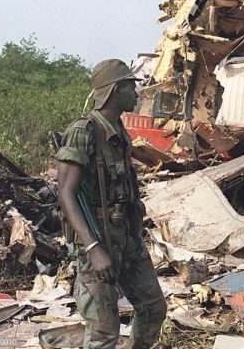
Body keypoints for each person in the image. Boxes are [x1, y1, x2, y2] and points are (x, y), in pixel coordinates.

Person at [57, 59, 166, 349]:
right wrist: (93, 249)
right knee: (104, 332)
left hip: (127, 238)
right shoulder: (84, 131)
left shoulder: (118, 129)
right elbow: (66, 193)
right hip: (98, 241)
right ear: (116, 90)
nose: (136, 93)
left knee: (154, 309)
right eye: (131, 86)